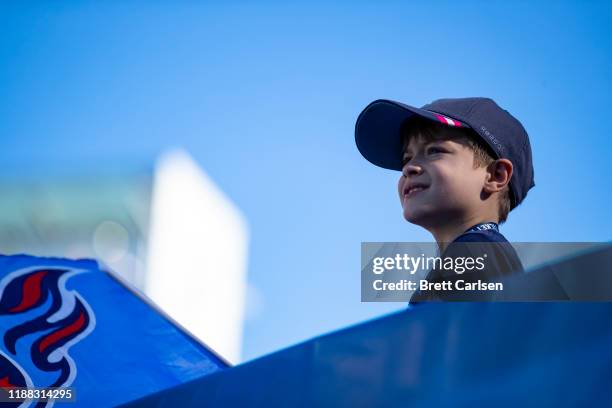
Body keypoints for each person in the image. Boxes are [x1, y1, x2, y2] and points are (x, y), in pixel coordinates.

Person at [354, 97, 535, 302]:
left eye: (434, 151)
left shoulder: (473, 254)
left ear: (496, 176)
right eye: (407, 158)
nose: (408, 168)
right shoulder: (479, 254)